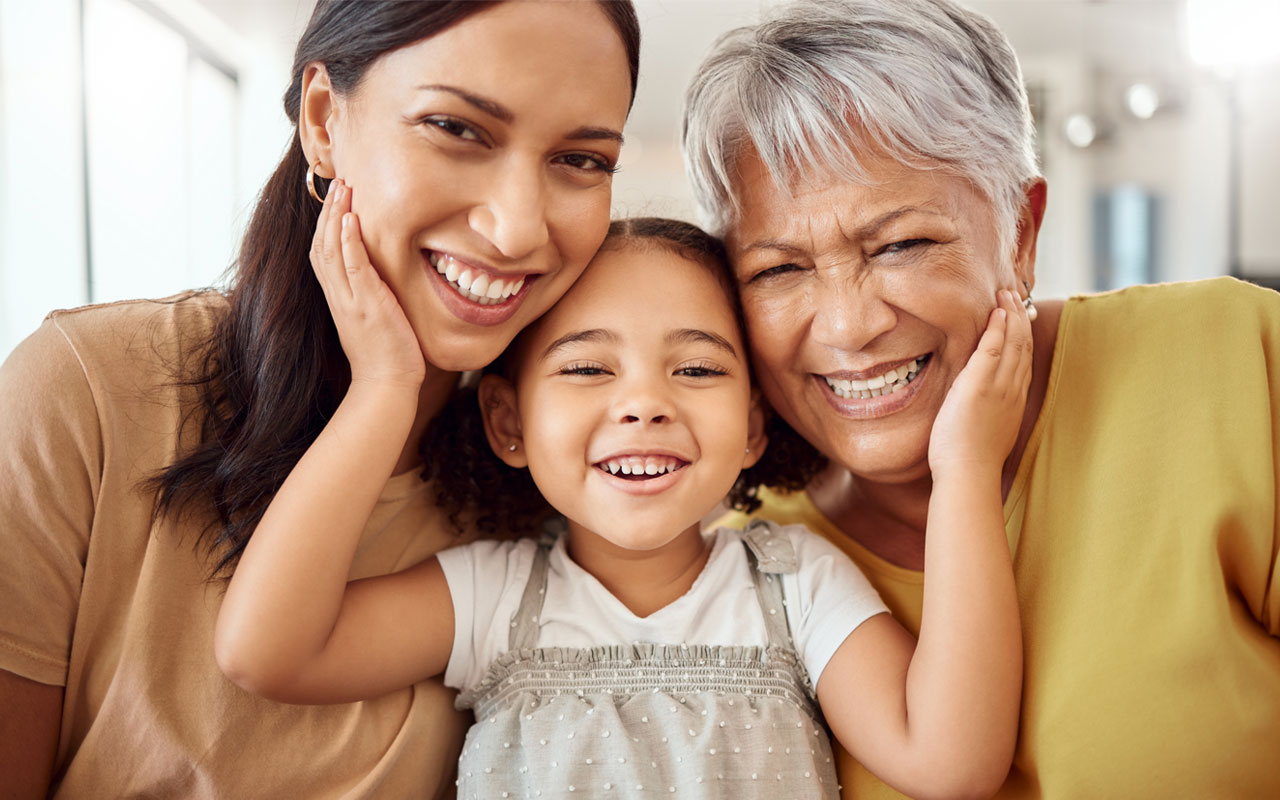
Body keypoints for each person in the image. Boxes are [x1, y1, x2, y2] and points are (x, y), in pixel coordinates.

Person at [0, 1, 640, 796]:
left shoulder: (575, 483)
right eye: (458, 128)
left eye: (582, 160)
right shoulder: (85, 392)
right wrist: (383, 393)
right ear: (323, 120)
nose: (515, 229)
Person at [214, 215, 1032, 800]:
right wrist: (384, 390)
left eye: (698, 370)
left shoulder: (795, 587)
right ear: (508, 423)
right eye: (587, 370)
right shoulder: (494, 600)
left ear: (752, 425)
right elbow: (267, 651)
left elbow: (950, 761)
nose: (644, 404)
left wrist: (962, 467)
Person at [682, 0, 1280, 797]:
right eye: (779, 271)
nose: (851, 326)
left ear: (1021, 236)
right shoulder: (740, 571)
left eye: (900, 245)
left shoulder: (1229, 355)